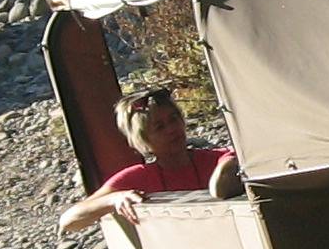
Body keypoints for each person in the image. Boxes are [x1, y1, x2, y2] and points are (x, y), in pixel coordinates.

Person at [58, 86, 242, 235]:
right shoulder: (138, 178)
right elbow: (69, 221)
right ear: (143, 138)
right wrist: (114, 199)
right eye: (159, 127)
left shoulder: (219, 159)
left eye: (173, 119)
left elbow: (236, 161)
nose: (172, 129)